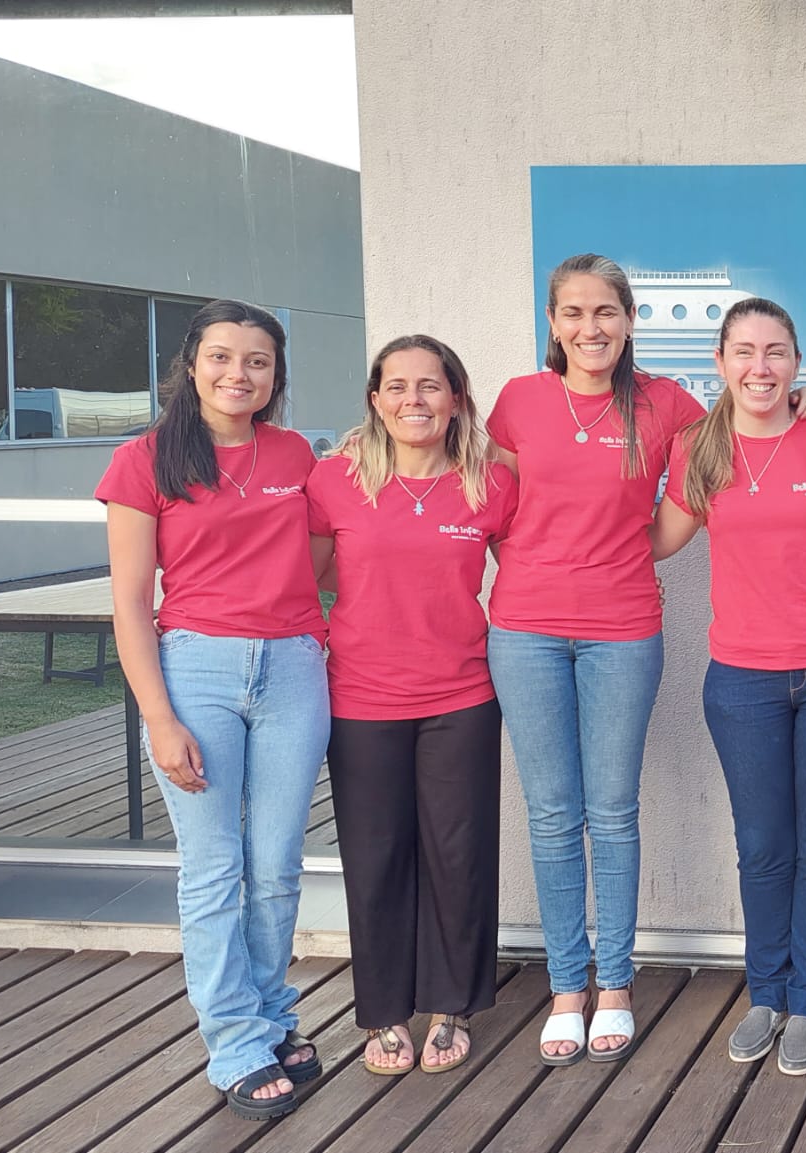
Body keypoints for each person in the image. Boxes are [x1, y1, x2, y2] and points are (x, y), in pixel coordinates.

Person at [486, 255, 806, 1066]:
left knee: (613, 808)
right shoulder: (518, 402)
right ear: (553, 320)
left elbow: (748, 427)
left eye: (606, 311)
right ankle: (567, 985)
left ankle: (614, 984)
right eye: (573, 312)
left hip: (622, 627)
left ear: (631, 320)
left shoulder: (667, 405)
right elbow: (482, 493)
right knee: (551, 812)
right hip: (525, 627)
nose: (590, 327)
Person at [97, 300, 329, 1121]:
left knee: (275, 864)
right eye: (224, 357)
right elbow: (129, 604)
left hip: (296, 667)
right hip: (194, 666)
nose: (240, 374)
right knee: (212, 867)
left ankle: (270, 1015)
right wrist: (159, 717)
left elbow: (326, 558)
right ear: (191, 362)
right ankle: (233, 1041)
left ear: (276, 375)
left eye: (258, 361)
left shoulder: (298, 453)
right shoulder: (146, 460)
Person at [652, 297, 806, 1077]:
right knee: (762, 842)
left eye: (777, 350)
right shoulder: (699, 449)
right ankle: (767, 990)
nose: (762, 366)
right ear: (719, 362)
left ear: (798, 362)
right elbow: (656, 538)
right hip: (744, 678)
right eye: (745, 351)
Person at [309, 335, 516, 1076]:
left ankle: (451, 1005)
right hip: (362, 697)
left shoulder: (491, 482)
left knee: (458, 856)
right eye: (396, 386)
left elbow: (535, 568)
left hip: (462, 695)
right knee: (377, 857)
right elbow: (300, 578)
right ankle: (384, 1012)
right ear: (374, 398)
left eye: (430, 386)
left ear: (456, 397)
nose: (413, 400)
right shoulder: (334, 479)